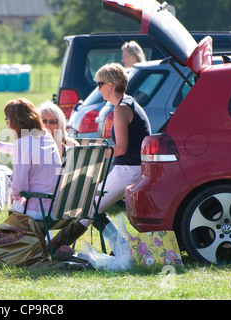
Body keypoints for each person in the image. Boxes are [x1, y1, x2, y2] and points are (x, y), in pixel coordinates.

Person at [50, 63, 151, 252]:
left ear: (111, 85)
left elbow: (120, 148)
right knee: (93, 209)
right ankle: (122, 248)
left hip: (128, 170)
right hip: (130, 169)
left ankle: (51, 248)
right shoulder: (128, 103)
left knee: (87, 210)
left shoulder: (121, 108)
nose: (98, 89)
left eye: (100, 84)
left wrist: (91, 153)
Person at [3, 98, 62, 220]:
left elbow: (19, 186)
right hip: (56, 207)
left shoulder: (21, 143)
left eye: (6, 119)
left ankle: (18, 236)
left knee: (11, 193)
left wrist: (14, 196)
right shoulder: (46, 137)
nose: (6, 122)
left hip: (37, 209)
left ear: (14, 121)